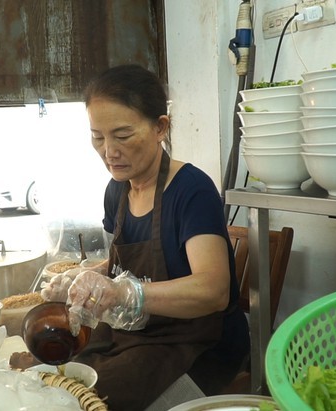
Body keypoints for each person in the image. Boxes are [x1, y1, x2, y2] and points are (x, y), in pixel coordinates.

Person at [41, 64, 250, 410]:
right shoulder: (116, 191)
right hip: (139, 332)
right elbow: (122, 262)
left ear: (160, 127)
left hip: (201, 342)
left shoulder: (191, 190)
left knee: (93, 399)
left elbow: (213, 290)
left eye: (122, 135)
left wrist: (125, 291)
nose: (109, 150)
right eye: (98, 137)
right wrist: (87, 276)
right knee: (55, 371)